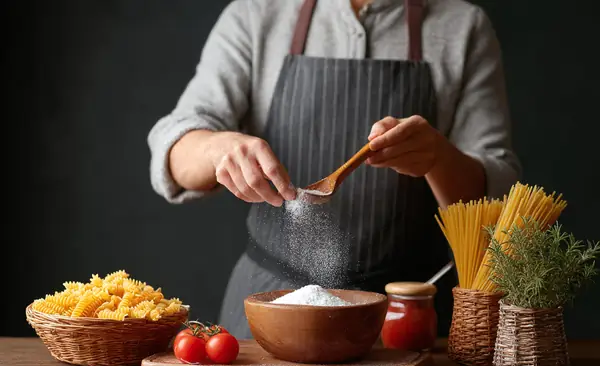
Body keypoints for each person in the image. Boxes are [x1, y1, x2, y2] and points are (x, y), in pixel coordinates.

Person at [147, 0, 521, 339]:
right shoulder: (257, 14)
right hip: (269, 309)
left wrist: (438, 158)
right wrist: (216, 148)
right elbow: (174, 148)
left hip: (405, 313)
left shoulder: (462, 26)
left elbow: (500, 196)